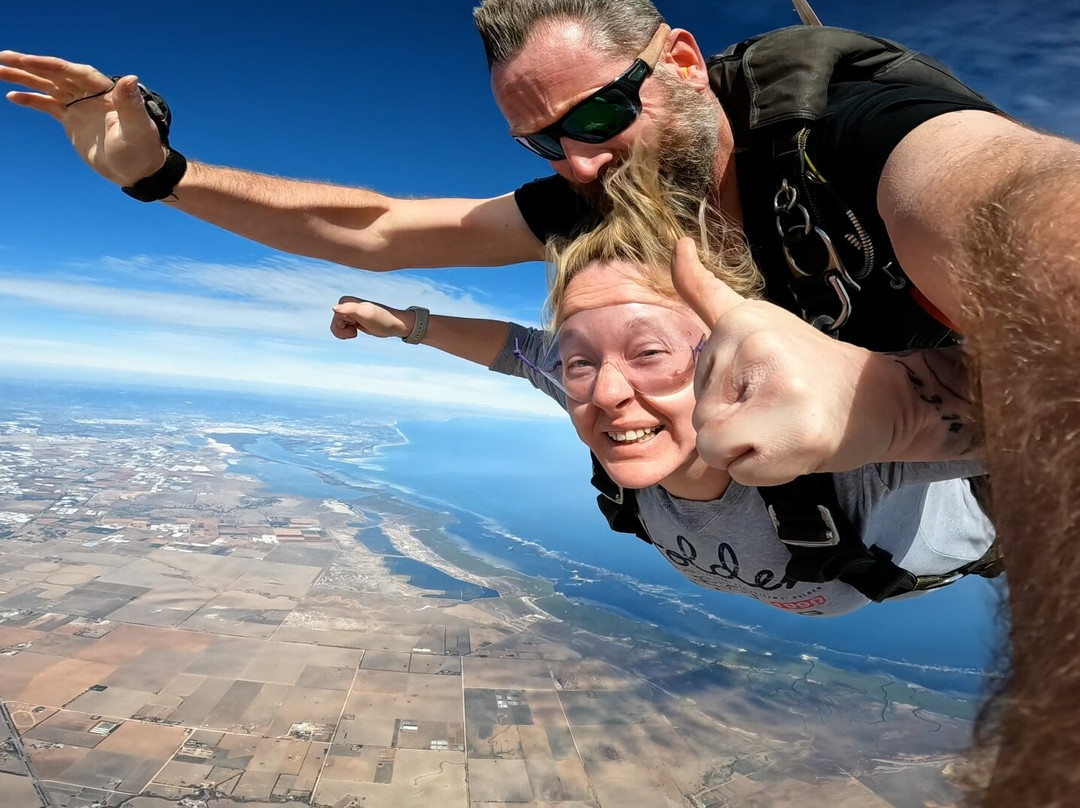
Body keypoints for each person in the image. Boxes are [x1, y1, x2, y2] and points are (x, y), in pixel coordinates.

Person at [3, 1, 1079, 799]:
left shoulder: (857, 138)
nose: (580, 158)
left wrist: (894, 406)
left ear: (683, 61)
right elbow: (381, 230)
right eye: (542, 140)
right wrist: (161, 176)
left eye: (600, 109)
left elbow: (1021, 205)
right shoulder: (607, 201)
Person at [330, 151, 996, 618]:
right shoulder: (598, 392)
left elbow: (1045, 410)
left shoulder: (840, 451)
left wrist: (888, 404)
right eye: (578, 360)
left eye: (650, 352)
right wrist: (408, 324)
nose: (607, 392)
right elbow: (517, 350)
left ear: (726, 355)